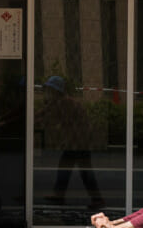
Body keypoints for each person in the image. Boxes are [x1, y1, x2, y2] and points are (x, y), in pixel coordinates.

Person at [36, 76, 103, 208]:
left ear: (56, 91)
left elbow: (46, 117)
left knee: (82, 171)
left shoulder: (62, 103)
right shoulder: (61, 102)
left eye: (50, 90)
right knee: (67, 168)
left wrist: (32, 121)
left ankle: (97, 199)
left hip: (78, 141)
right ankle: (60, 195)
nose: (48, 93)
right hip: (77, 140)